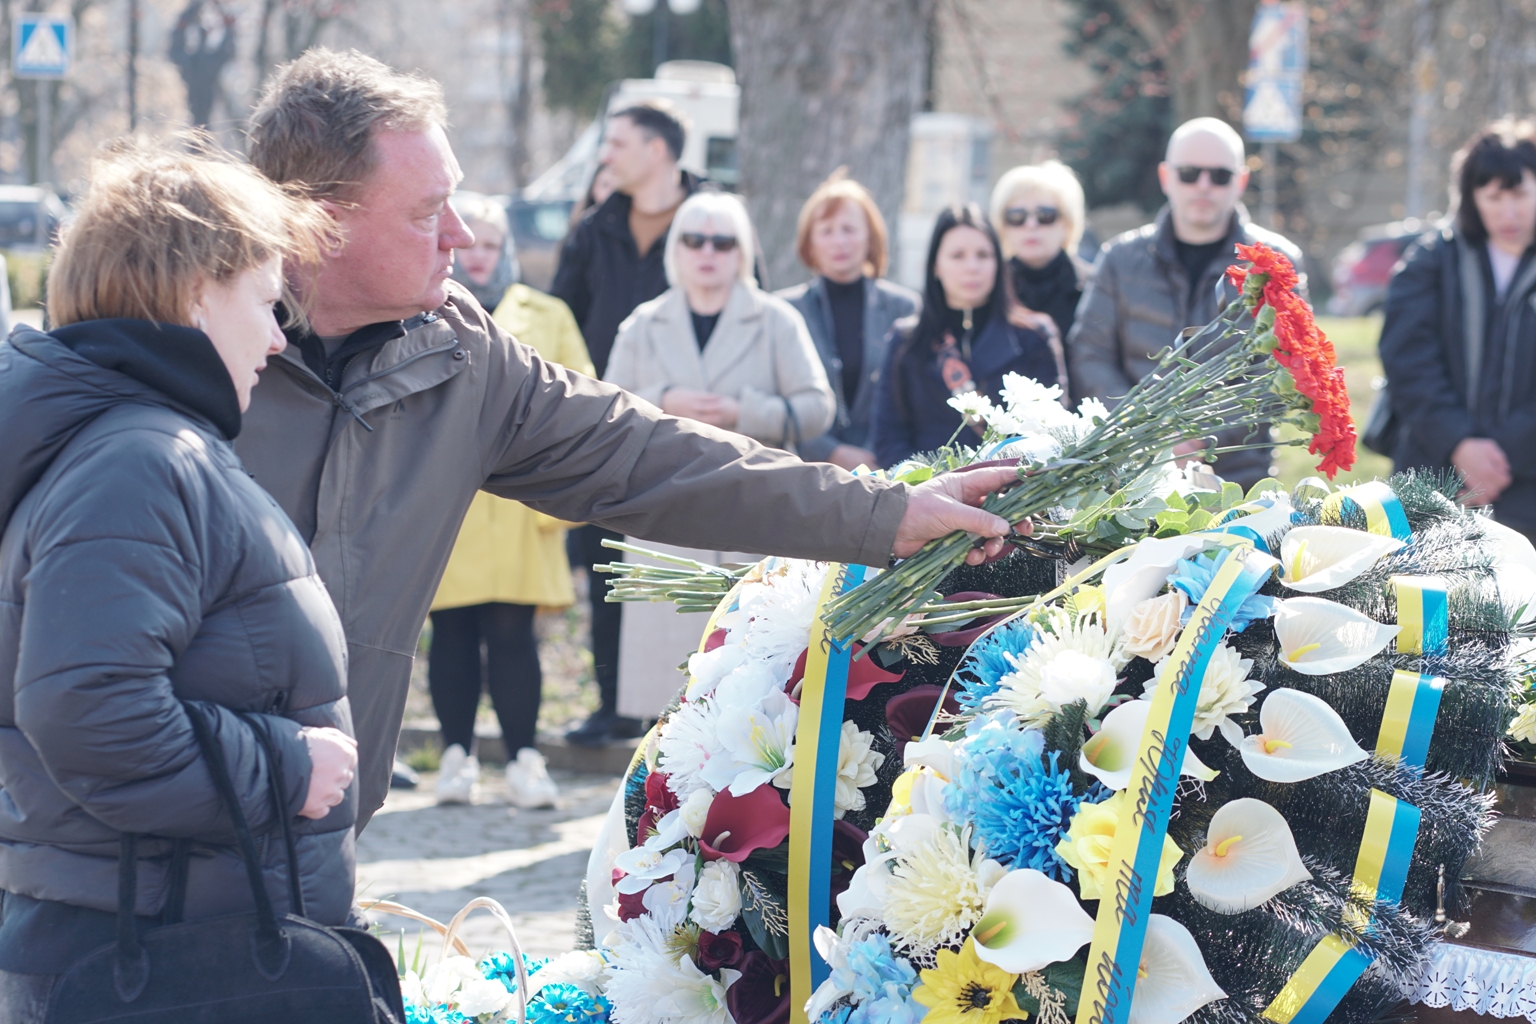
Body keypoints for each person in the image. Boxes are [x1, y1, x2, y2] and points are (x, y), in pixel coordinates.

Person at [237, 49, 1024, 829]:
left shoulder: (459, 357)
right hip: (145, 847)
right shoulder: (182, 359)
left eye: (456, 202)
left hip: (325, 834)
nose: (458, 234)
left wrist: (889, 515)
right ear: (320, 223)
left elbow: (653, 458)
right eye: (423, 212)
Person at [0, 142, 356, 1021]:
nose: (279, 336)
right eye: (267, 302)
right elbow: (90, 707)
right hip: (159, 955)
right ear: (197, 291)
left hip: (164, 935)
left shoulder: (135, 443)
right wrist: (283, 765)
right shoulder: (141, 458)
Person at [604, 191, 835, 718]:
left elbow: (818, 407)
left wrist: (745, 410)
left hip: (753, 511)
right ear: (675, 249)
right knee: (665, 693)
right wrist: (663, 400)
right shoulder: (642, 324)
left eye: (723, 241)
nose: (708, 251)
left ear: (743, 251)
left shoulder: (777, 321)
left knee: (750, 681)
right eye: (694, 239)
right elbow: (604, 413)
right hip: (663, 514)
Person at [429, 191, 592, 808]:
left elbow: (584, 395)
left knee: (514, 633)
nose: (481, 255)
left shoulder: (547, 313)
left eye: (494, 243)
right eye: (474, 241)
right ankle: (455, 757)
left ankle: (524, 757)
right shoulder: (421, 308)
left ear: (508, 251)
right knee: (451, 629)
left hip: (522, 505)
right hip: (453, 503)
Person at [551, 100, 699, 748]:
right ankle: (614, 705)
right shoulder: (594, 230)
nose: (605, 155)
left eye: (617, 143)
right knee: (607, 564)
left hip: (689, 434)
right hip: (603, 431)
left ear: (658, 151)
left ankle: (690, 707)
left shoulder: (711, 222)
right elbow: (562, 322)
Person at [1068, 117, 1304, 491]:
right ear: (1165, 177)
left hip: (1236, 480)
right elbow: (1090, 355)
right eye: (1189, 173)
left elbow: (1283, 372)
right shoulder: (1119, 259)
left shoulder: (1275, 263)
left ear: (1241, 181)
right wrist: (1145, 429)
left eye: (1220, 176)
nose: (1204, 186)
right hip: (1131, 477)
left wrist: (1199, 436)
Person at [1379, 120, 1536, 539]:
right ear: (1472, 198)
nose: (1509, 212)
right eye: (1494, 197)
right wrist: (1460, 444)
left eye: (1520, 194)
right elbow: (1407, 359)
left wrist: (1504, 456)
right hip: (1433, 484)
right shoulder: (1431, 261)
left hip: (1526, 491)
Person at [870, 203, 1064, 468]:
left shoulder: (1034, 336)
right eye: (957, 255)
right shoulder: (906, 341)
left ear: (999, 262)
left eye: (983, 255)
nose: (972, 267)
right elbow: (889, 437)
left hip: (1015, 496)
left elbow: (1052, 428)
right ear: (935, 265)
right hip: (928, 497)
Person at [778, 170, 920, 472]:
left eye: (849, 229)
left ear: (870, 237)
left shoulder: (904, 309)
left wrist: (877, 452)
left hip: (888, 470)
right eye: (826, 231)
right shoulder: (784, 311)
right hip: (805, 473)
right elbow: (778, 398)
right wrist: (831, 452)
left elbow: (912, 398)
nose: (839, 241)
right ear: (810, 243)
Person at [990, 160, 1089, 345]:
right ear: (1002, 225)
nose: (1031, 225)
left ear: (1067, 223)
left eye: (1045, 215)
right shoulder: (987, 285)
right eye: (1017, 217)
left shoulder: (1097, 287)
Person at [450, 191, 519, 314]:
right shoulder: (426, 312)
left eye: (490, 246)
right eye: (468, 245)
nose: (478, 256)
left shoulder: (549, 313)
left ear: (505, 251)